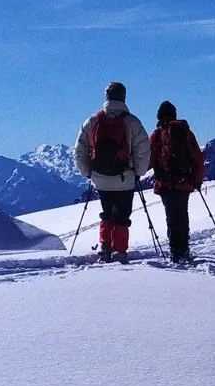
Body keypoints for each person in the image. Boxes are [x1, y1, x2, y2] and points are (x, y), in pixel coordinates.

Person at [74, 81, 152, 263]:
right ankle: (120, 251)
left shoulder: (93, 120)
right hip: (125, 178)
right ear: (124, 97)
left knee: (107, 212)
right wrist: (139, 172)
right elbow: (143, 149)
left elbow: (79, 150)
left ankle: (105, 247)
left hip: (100, 178)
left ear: (106, 97)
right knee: (122, 215)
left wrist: (88, 172)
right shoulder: (132, 121)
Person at [150, 100, 206, 263]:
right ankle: (184, 249)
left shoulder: (157, 135)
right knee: (182, 213)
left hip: (165, 183)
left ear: (159, 117)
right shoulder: (185, 132)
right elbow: (197, 157)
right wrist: (197, 179)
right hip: (184, 182)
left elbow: (149, 158)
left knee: (171, 216)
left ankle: (176, 251)